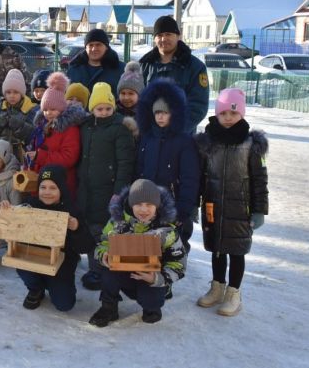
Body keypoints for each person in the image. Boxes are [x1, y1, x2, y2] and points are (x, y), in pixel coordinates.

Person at [194, 88, 268, 316]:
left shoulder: (251, 144)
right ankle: (217, 286)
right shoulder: (207, 142)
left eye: (233, 113)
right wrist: (195, 203)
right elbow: (200, 174)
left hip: (240, 208)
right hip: (213, 205)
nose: (228, 117)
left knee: (237, 251)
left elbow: (259, 179)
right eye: (224, 112)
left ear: (242, 115)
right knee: (217, 249)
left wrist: (259, 210)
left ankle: (234, 292)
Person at [89, 179, 187, 327]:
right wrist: (104, 255)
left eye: (149, 205)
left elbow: (178, 263)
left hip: (151, 277)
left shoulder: (167, 230)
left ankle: (152, 307)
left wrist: (157, 278)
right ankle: (108, 307)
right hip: (123, 273)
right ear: (130, 204)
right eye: (138, 204)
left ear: (157, 205)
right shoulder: (118, 222)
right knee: (107, 272)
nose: (143, 210)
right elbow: (102, 244)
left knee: (151, 300)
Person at [76, 82, 136, 291]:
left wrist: (118, 192)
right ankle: (95, 269)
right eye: (99, 109)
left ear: (113, 107)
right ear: (92, 109)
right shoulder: (86, 126)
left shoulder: (120, 127)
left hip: (108, 189)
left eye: (107, 108)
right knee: (92, 228)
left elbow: (125, 163)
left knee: (105, 231)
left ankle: (105, 271)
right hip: (88, 187)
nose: (103, 113)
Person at [5, 165, 81, 312]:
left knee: (64, 305)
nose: (47, 192)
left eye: (53, 188)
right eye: (43, 187)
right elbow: (12, 224)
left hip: (60, 264)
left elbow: (86, 245)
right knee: (19, 258)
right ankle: (36, 288)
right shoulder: (31, 204)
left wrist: (76, 227)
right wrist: (4, 209)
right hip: (33, 256)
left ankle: (58, 286)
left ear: (62, 189)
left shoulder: (72, 210)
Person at [135, 79, 200, 251]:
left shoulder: (184, 141)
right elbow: (139, 170)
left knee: (172, 249)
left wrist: (183, 209)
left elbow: (190, 178)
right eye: (157, 113)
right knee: (147, 248)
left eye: (165, 112)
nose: (160, 117)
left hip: (173, 205)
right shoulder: (147, 138)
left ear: (174, 113)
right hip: (147, 204)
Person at [139, 16, 209, 134]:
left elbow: (198, 106)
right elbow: (138, 102)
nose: (163, 39)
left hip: (180, 140)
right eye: (159, 35)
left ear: (178, 36)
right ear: (154, 39)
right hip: (150, 137)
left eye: (168, 34)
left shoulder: (195, 67)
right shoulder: (144, 65)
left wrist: (175, 129)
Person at [26, 72, 85, 196]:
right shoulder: (41, 126)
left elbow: (69, 157)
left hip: (60, 184)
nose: (48, 113)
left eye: (53, 109)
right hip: (41, 181)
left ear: (61, 108)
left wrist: (39, 156)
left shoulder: (69, 128)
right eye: (45, 110)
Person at [0, 68, 38, 153]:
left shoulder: (29, 110)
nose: (12, 96)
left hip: (21, 155)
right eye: (8, 92)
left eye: (16, 92)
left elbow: (33, 137)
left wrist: (19, 126)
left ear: (22, 94)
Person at [66, 29, 125, 95]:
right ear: (85, 48)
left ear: (106, 47)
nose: (94, 49)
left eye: (98, 45)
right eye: (90, 45)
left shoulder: (121, 70)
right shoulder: (74, 68)